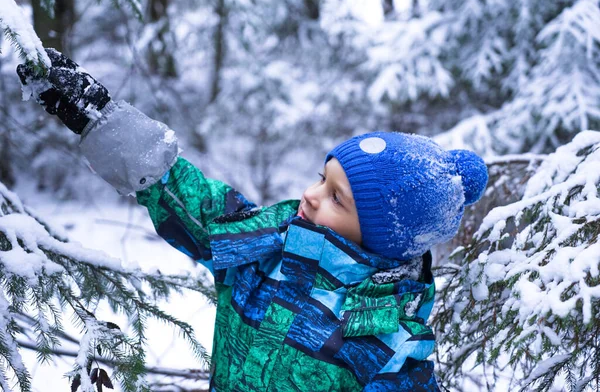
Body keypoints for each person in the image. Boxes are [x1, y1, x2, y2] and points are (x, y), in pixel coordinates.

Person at [17, 49, 488, 391]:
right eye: (320, 178)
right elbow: (189, 201)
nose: (309, 194)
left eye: (335, 198)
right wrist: (99, 118)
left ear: (381, 239)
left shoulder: (390, 341)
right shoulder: (272, 244)